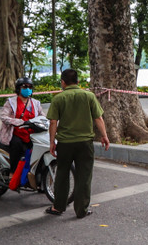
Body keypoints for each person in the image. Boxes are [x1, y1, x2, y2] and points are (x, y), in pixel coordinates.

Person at [45, 69, 110, 218]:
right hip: (85, 143)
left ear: (63, 82)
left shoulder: (58, 98)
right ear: (78, 82)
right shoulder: (89, 96)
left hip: (65, 143)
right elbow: (98, 118)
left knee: (62, 174)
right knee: (84, 176)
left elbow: (53, 122)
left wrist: (52, 142)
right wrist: (104, 136)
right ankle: (81, 210)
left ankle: (58, 207)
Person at [0, 76, 43, 190]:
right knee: (17, 146)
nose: (27, 89)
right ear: (18, 89)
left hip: (31, 135)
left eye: (29, 87)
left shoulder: (36, 103)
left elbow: (42, 116)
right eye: (24, 87)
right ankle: (12, 173)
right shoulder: (11, 102)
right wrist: (18, 121)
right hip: (16, 133)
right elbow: (3, 116)